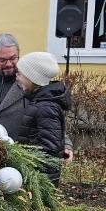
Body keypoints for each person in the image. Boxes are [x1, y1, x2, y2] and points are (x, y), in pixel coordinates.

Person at [0, 33, 73, 161]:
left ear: (19, 54)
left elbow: (49, 118)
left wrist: (66, 145)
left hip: (18, 155)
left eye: (13, 58)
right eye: (2, 60)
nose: (9, 64)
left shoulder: (31, 81)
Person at [12, 52, 71, 185]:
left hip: (40, 179)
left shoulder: (45, 107)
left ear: (32, 78)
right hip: (35, 175)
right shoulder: (40, 102)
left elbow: (50, 150)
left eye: (19, 73)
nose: (17, 77)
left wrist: (22, 156)